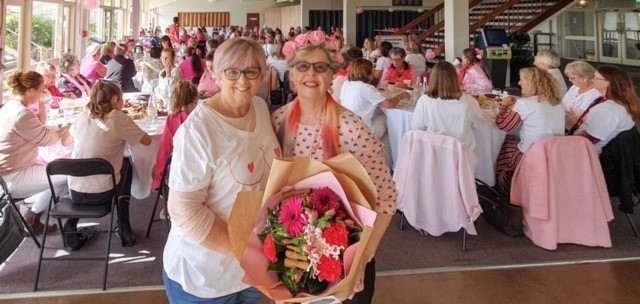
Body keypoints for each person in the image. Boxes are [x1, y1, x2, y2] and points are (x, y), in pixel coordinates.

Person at [271, 30, 397, 303]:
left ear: (332, 76)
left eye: (320, 67)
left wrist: (362, 258)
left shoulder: (351, 128)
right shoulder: (277, 122)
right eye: (302, 67)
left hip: (347, 256)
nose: (311, 74)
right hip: (293, 258)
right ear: (291, 74)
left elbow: (386, 197)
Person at [163, 37, 279, 304]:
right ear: (215, 72)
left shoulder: (260, 108)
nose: (243, 80)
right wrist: (246, 251)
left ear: (262, 75)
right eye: (232, 71)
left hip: (251, 273)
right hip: (204, 278)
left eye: (251, 71)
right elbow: (185, 211)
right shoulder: (199, 131)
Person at [66, 79, 151, 249]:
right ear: (114, 100)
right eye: (121, 99)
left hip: (74, 191)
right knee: (126, 164)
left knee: (94, 165)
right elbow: (147, 141)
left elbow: (66, 141)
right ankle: (124, 225)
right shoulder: (117, 118)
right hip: (102, 192)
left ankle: (71, 223)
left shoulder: (83, 116)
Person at [0, 71, 71, 235]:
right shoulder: (21, 114)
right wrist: (66, 129)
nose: (41, 94)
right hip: (13, 176)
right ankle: (33, 216)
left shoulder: (12, 106)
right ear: (31, 90)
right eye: (40, 91)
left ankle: (34, 215)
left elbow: (40, 125)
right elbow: (49, 139)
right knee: (66, 175)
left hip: (14, 168)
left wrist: (42, 104)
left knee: (58, 172)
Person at [494, 67, 565, 193]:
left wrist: (504, 106)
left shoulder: (526, 103)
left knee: (504, 143)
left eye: (522, 80)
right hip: (554, 153)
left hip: (531, 154)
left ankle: (507, 186)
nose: (519, 83)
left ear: (531, 83)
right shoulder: (557, 102)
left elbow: (504, 125)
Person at [411, 61, 483, 170]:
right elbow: (478, 124)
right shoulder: (468, 101)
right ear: (455, 78)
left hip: (433, 158)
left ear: (433, 79)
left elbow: (416, 128)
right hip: (460, 160)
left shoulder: (424, 101)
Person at [573, 65, 640, 153]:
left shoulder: (607, 110)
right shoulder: (621, 102)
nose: (592, 80)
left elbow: (589, 140)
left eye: (596, 78)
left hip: (591, 154)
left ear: (608, 83)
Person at [152, 81, 198, 191]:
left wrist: (158, 180)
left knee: (155, 169)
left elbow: (165, 151)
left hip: (178, 175)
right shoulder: (200, 119)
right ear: (195, 100)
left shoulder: (172, 119)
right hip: (198, 173)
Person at [562, 60, 602, 133]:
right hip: (563, 124)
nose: (569, 80)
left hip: (576, 130)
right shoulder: (575, 86)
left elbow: (578, 118)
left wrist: (562, 114)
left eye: (572, 78)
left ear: (585, 78)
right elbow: (562, 105)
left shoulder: (595, 93)